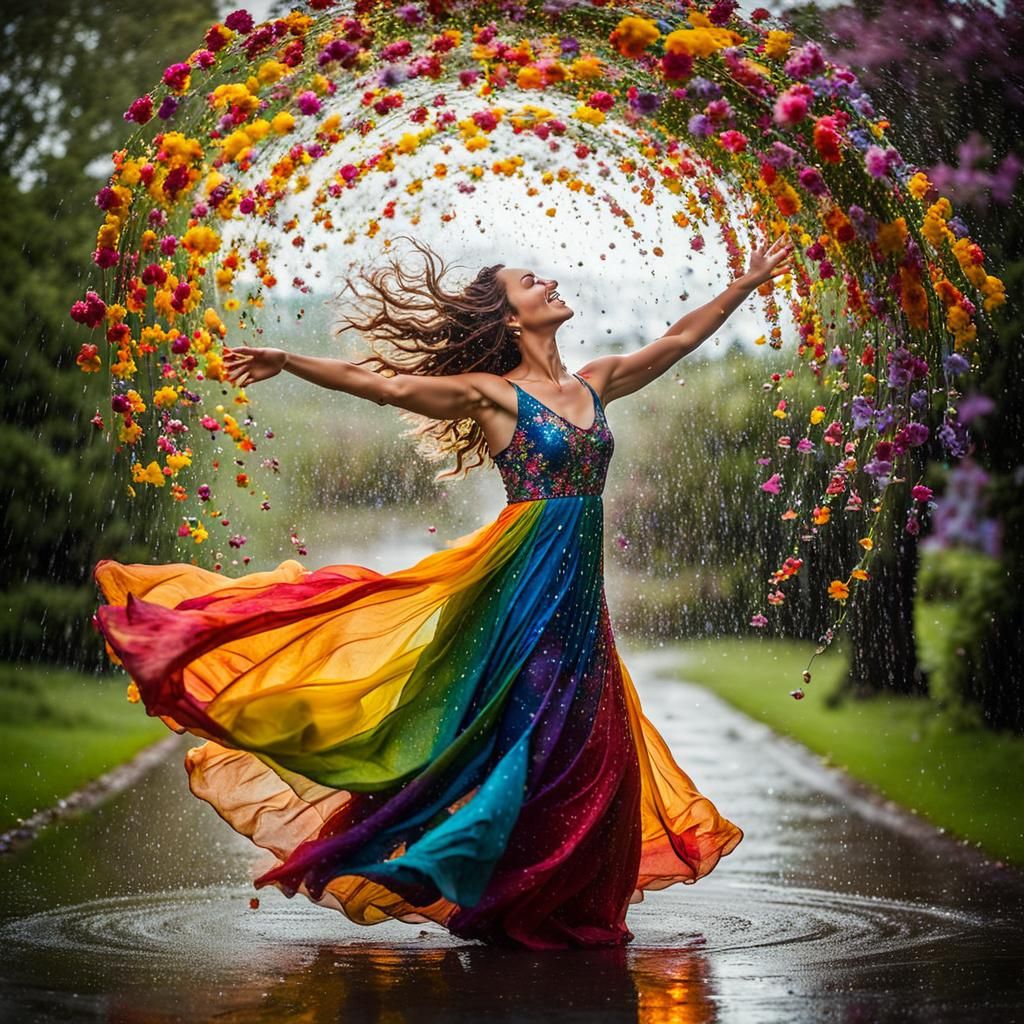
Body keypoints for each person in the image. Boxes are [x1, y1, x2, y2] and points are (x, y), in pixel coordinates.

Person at [93, 234, 794, 950]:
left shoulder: (595, 382)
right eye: (532, 279)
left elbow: (678, 340)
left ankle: (562, 903)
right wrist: (290, 361)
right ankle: (466, 877)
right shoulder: (492, 395)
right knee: (531, 739)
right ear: (510, 319)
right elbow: (390, 387)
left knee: (594, 746)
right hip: (524, 592)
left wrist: (746, 284)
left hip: (583, 602)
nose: (549, 281)